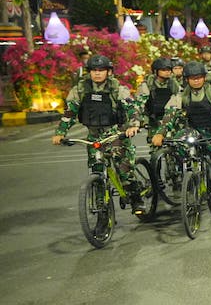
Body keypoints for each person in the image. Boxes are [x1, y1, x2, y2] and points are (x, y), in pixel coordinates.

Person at [52, 54, 148, 215]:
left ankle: (136, 200)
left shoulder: (117, 89)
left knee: (124, 170)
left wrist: (133, 125)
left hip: (116, 134)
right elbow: (70, 112)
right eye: (94, 70)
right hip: (93, 136)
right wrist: (60, 133)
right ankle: (101, 210)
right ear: (89, 72)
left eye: (101, 70)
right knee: (96, 170)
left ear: (108, 72)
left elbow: (132, 109)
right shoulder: (80, 89)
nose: (97, 73)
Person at [152, 61, 211, 216]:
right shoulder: (181, 95)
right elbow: (169, 114)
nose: (196, 80)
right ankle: (188, 173)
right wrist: (161, 133)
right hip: (193, 131)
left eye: (199, 77)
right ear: (187, 79)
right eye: (193, 78)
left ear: (204, 77)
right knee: (177, 143)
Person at [136, 57, 180, 138]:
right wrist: (137, 122)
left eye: (169, 70)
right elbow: (138, 105)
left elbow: (179, 101)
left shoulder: (173, 84)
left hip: (171, 120)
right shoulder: (148, 84)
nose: (167, 72)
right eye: (163, 70)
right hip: (153, 121)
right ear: (156, 71)